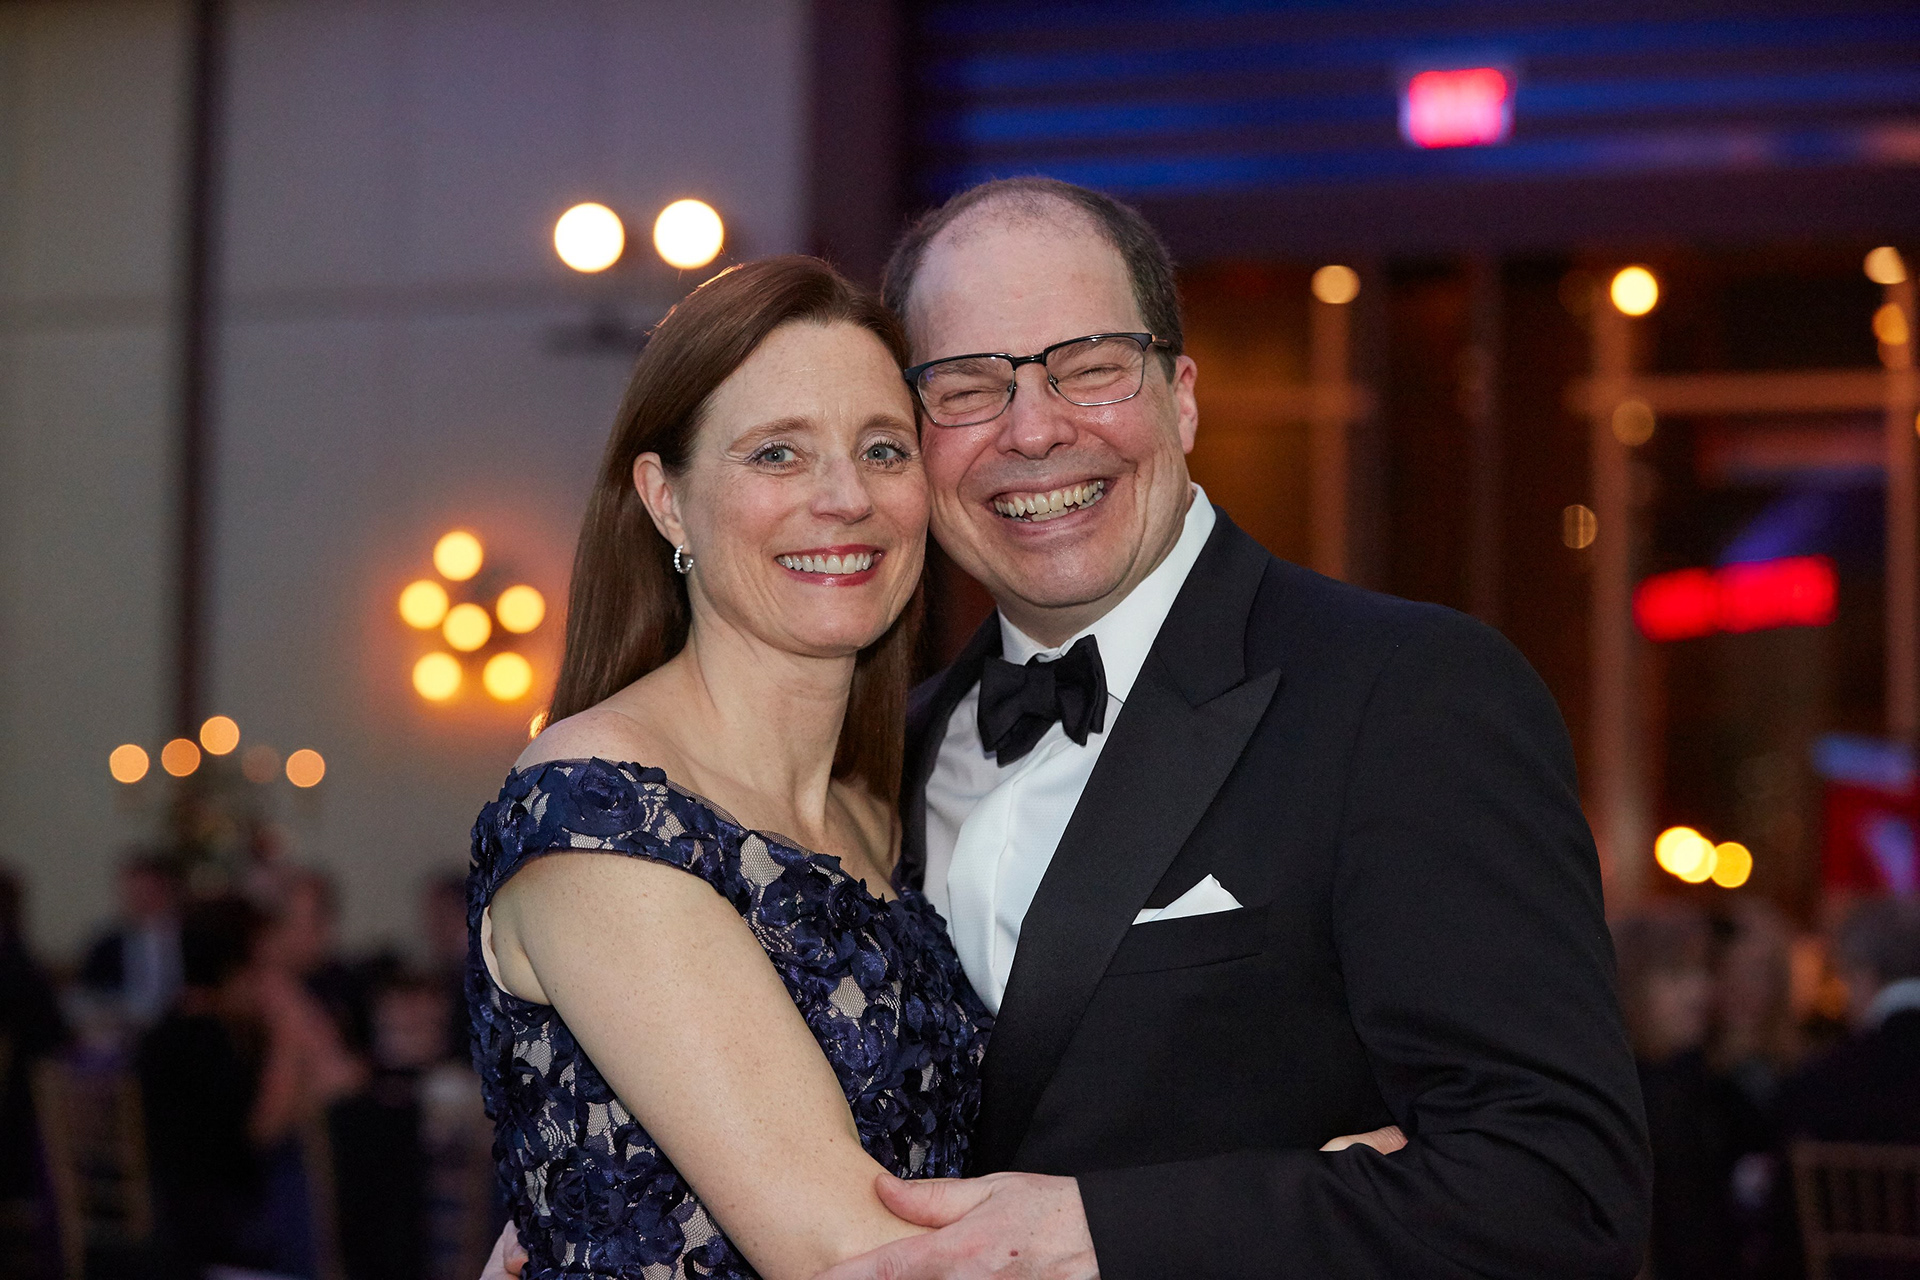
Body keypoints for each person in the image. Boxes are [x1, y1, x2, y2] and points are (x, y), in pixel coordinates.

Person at [806, 176, 1651, 1280]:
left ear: (1183, 398)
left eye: (1092, 367)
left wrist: (1103, 1233)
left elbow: (1561, 1191)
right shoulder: (874, 755)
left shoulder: (1408, 694)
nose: (1035, 428)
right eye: (967, 389)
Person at [468, 256, 993, 1280]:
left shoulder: (872, 813)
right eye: (778, 454)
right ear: (666, 500)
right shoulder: (600, 810)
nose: (846, 497)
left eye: (883, 450)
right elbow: (847, 1252)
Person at [1614, 905, 1741, 1279]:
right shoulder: (1632, 1097)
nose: (1701, 991)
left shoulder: (1703, 1086)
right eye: (1676, 974)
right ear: (1631, 985)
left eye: (1704, 972)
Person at [79, 849, 184, 1030]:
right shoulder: (107, 944)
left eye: (148, 892)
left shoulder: (191, 939)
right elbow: (87, 992)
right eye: (134, 893)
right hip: (123, 1028)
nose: (141, 901)